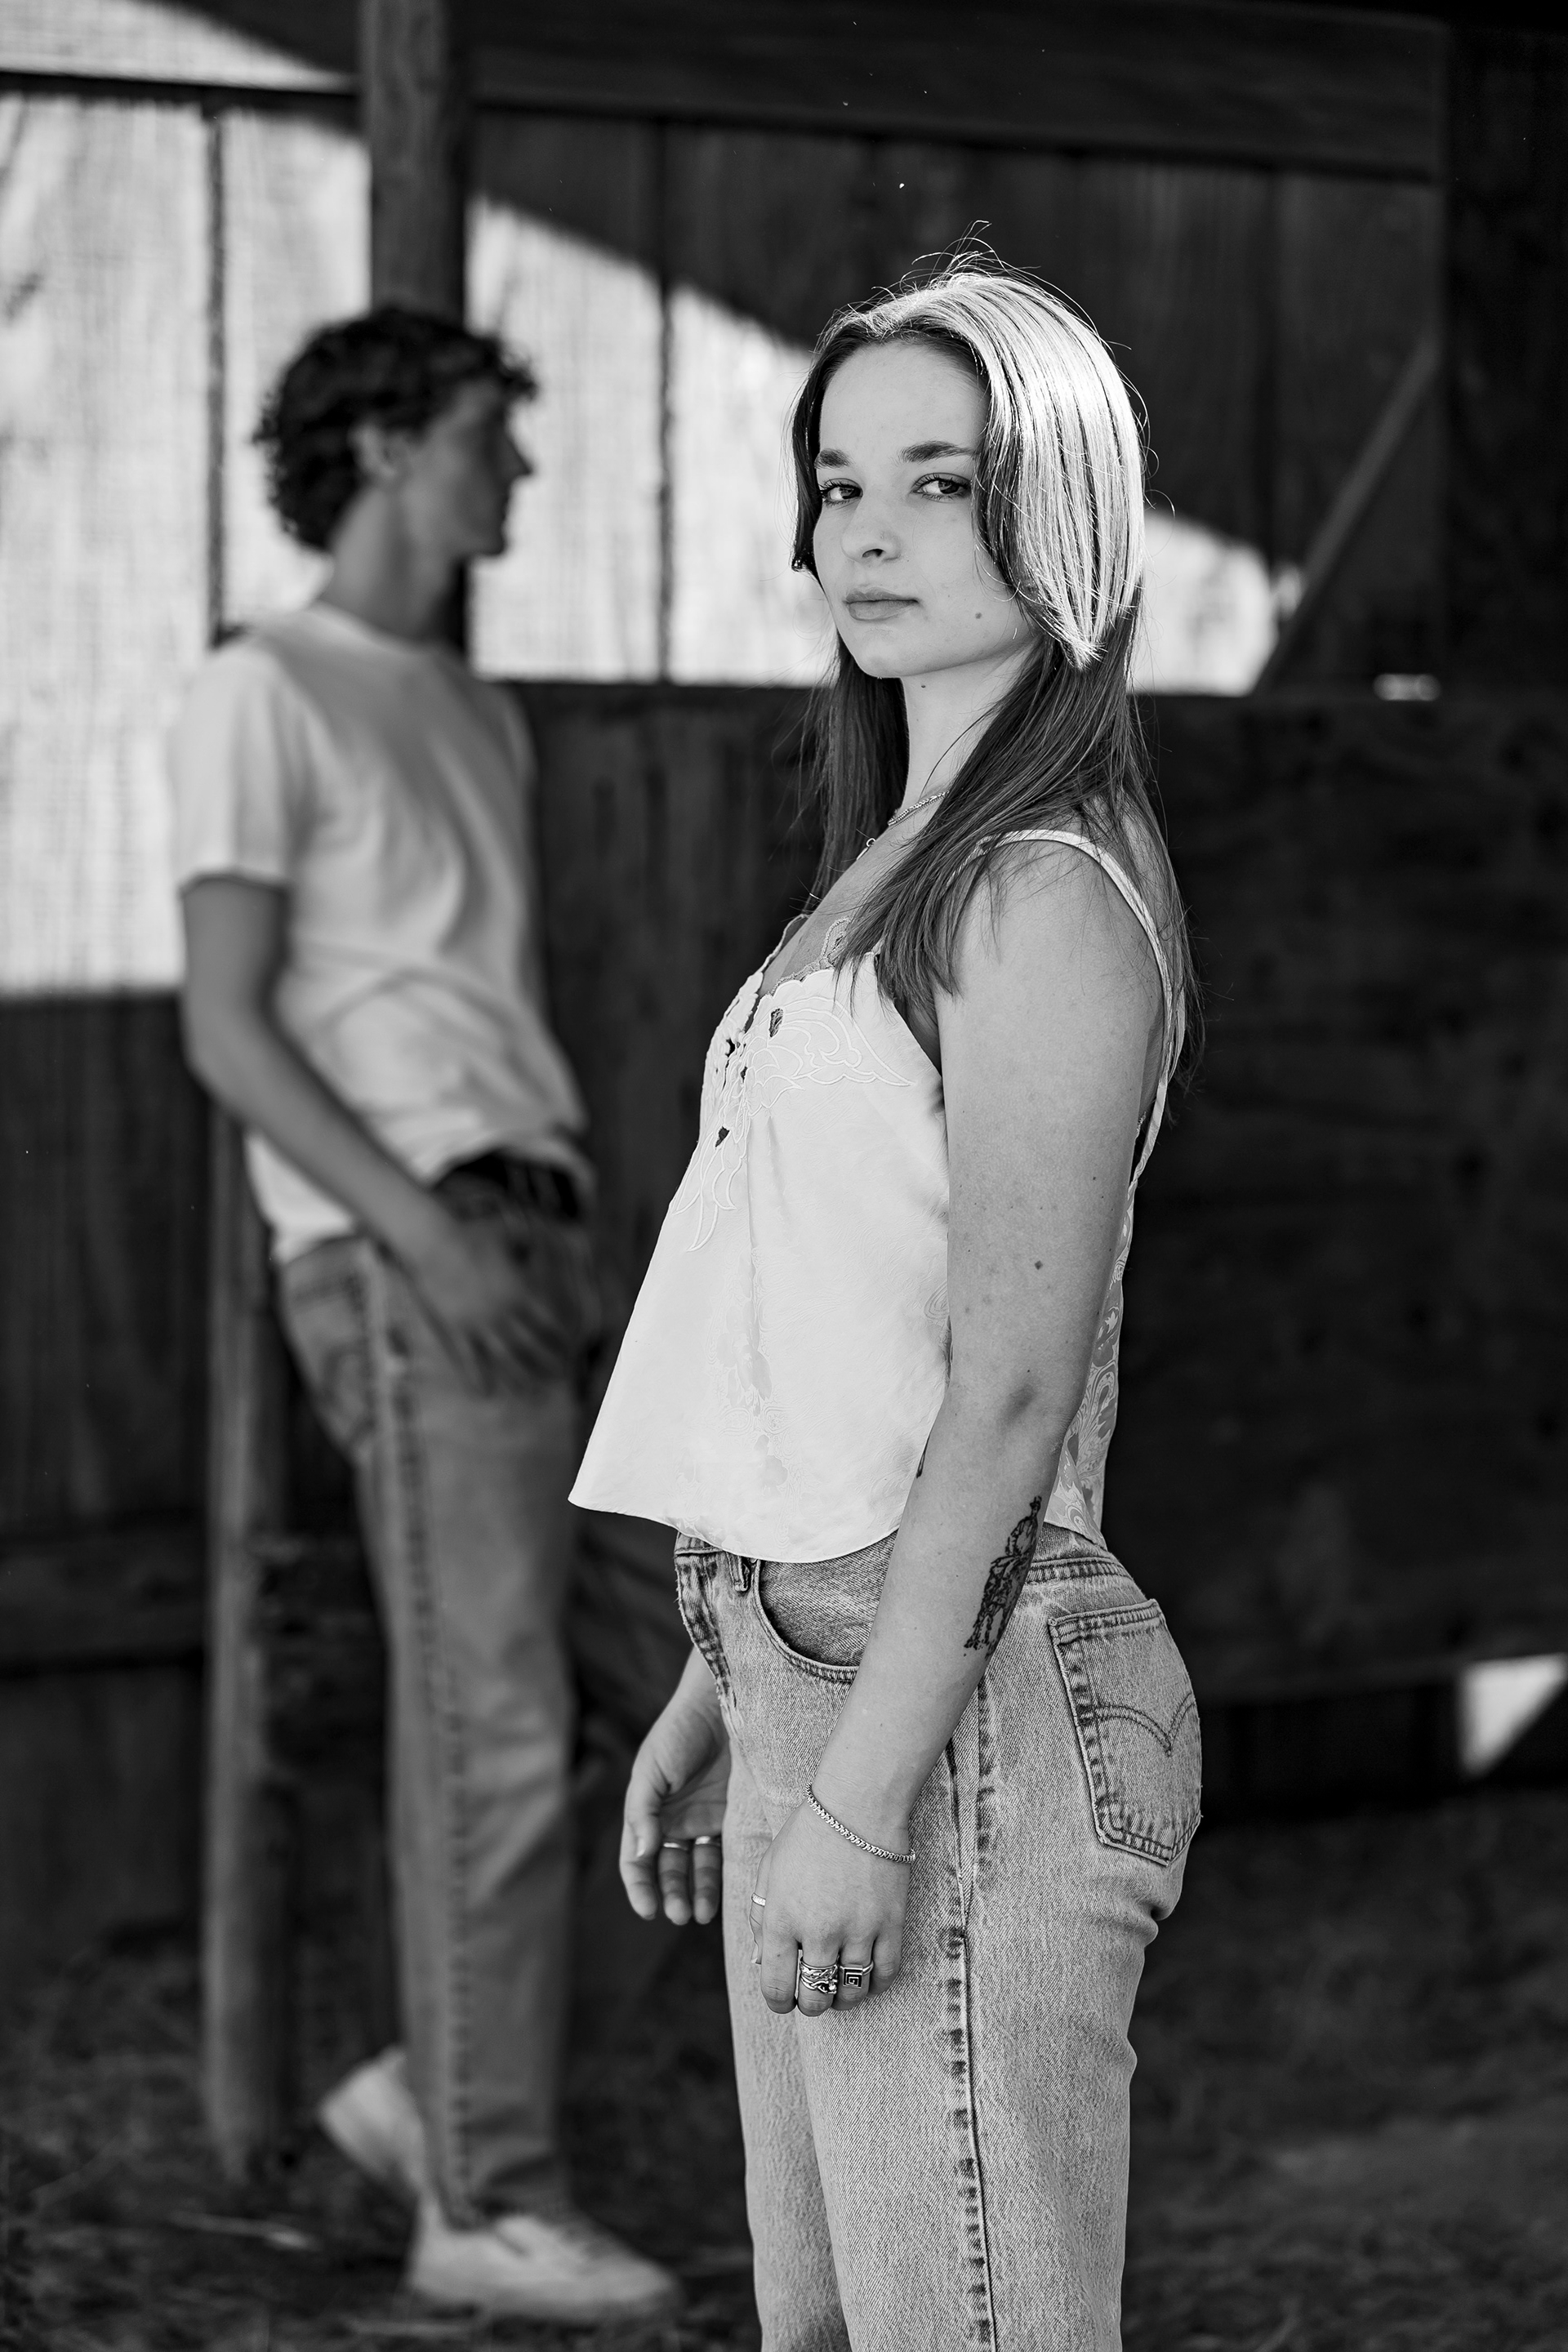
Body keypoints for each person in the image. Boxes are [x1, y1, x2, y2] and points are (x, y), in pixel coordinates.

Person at [572, 257, 1204, 2350]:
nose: (871, 532)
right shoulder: (891, 862)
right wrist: (727, 1677)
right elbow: (834, 1310)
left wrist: (856, 1790)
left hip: (967, 1707)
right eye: (842, 483)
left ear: (1062, 514)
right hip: (816, 1666)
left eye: (943, 481)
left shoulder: (1043, 888)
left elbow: (1011, 1393)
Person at [172, 306, 679, 2327]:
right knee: (494, 1725)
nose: (517, 470)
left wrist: (561, 1244)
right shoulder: (261, 686)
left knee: (705, 1693)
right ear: (384, 447)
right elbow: (229, 1028)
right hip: (407, 1255)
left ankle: (430, 2090)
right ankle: (484, 2197)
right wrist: (423, 1240)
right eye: (487, 433)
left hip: (540, 1232)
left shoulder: (473, 713)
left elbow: (479, 1011)